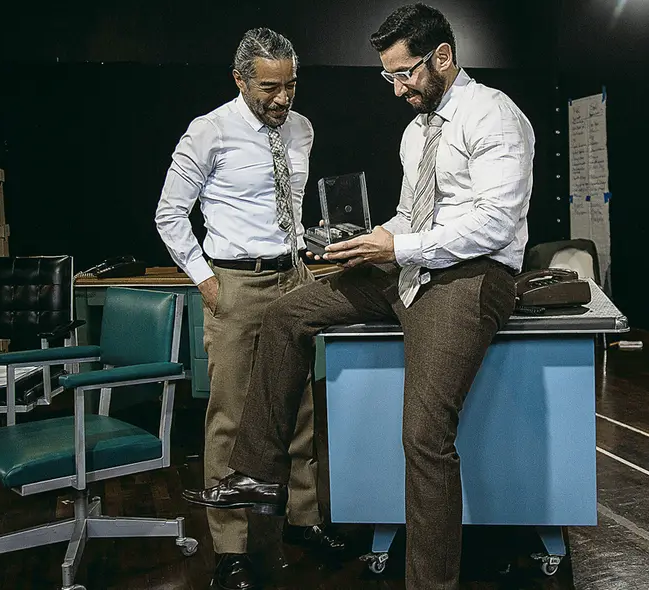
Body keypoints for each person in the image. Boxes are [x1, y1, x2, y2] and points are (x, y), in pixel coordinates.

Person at [181, 4, 535, 589]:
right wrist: (371, 240)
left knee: (424, 436)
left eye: (404, 74)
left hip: (472, 278)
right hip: (412, 265)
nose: (396, 89)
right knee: (289, 311)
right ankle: (257, 474)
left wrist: (396, 248)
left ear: (442, 58)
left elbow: (494, 223)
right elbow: (415, 213)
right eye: (388, 77)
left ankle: (431, 584)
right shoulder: (416, 130)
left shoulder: (493, 116)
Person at [154, 27, 344, 590]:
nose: (282, 99)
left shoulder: (302, 130)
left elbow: (283, 206)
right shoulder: (208, 131)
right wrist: (208, 283)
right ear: (240, 80)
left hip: (294, 277)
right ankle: (231, 548)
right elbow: (169, 215)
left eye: (290, 85)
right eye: (269, 88)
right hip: (235, 285)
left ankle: (303, 520)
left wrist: (313, 241)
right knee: (232, 419)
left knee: (303, 410)